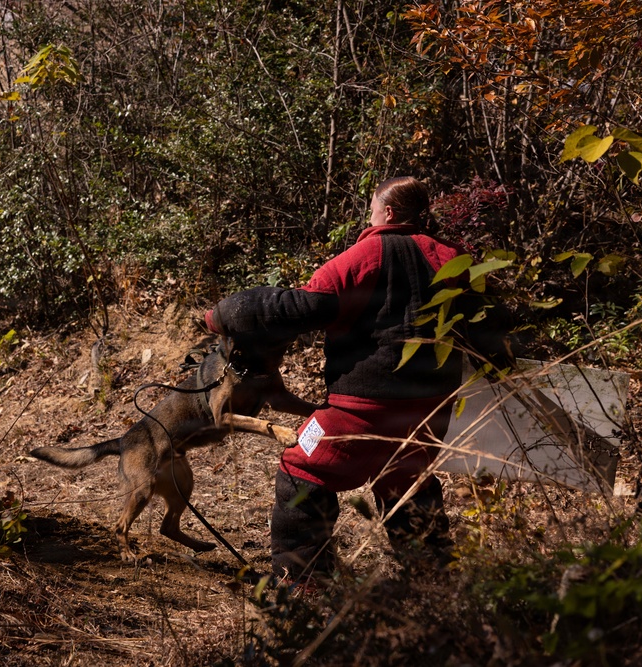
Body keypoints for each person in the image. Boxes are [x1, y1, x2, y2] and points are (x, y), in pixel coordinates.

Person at [204, 176, 510, 583]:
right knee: (406, 482)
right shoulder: (456, 259)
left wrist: (222, 315)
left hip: (360, 413)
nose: (368, 214)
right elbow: (491, 325)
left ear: (387, 213)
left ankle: (304, 587)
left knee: (301, 463)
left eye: (371, 207)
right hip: (431, 413)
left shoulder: (366, 254)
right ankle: (435, 587)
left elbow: (304, 305)